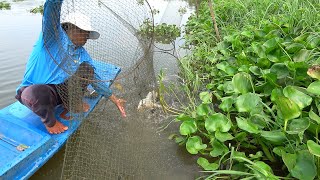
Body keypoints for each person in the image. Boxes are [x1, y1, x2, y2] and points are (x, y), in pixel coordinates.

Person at [15, 0, 126, 134]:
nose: (87, 37)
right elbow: (51, 10)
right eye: (84, 32)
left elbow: (95, 80)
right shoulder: (51, 38)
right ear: (70, 28)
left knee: (87, 69)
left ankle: (72, 103)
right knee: (36, 93)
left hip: (60, 92)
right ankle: (50, 123)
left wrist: (114, 99)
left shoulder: (81, 53)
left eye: (88, 34)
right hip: (37, 94)